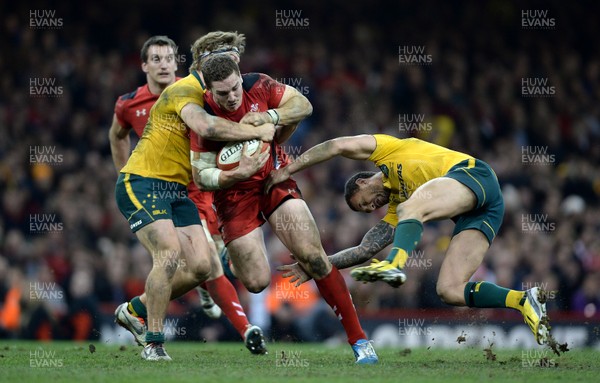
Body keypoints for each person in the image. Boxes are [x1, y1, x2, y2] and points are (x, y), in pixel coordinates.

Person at [267, 133, 550, 345]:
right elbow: (365, 250)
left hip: (473, 174)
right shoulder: (396, 210)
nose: (369, 208)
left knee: (410, 206)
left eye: (363, 203)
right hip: (484, 211)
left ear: (363, 182)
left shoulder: (388, 151)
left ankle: (394, 264)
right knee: (449, 289)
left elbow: (336, 146)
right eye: (364, 210)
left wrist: (291, 168)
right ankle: (523, 300)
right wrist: (316, 266)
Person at [190, 55, 378, 364]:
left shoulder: (257, 85)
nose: (232, 96)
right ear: (209, 90)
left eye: (235, 88)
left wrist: (269, 118)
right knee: (256, 281)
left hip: (273, 178)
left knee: (314, 257)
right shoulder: (204, 117)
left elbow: (303, 106)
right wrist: (237, 173)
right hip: (233, 197)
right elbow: (201, 176)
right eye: (223, 93)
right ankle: (231, 255)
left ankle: (360, 342)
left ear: (240, 77)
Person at [113, 33, 275, 360]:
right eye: (224, 55)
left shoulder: (216, 96)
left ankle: (135, 310)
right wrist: (257, 130)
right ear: (203, 60)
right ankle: (154, 343)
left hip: (178, 190)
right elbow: (206, 128)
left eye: (234, 57)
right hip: (144, 182)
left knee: (202, 266)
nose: (233, 63)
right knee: (169, 254)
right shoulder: (184, 89)